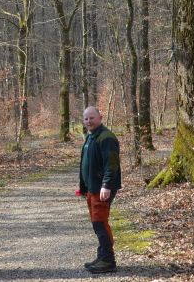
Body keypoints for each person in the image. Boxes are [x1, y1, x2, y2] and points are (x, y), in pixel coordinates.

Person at [79, 106, 122, 273]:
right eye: (86, 119)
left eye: (92, 118)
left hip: (101, 189)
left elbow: (112, 165)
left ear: (100, 117)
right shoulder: (91, 137)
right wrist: (84, 188)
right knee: (97, 223)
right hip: (92, 188)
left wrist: (106, 185)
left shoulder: (107, 137)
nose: (89, 121)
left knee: (100, 223)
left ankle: (108, 261)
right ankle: (102, 255)